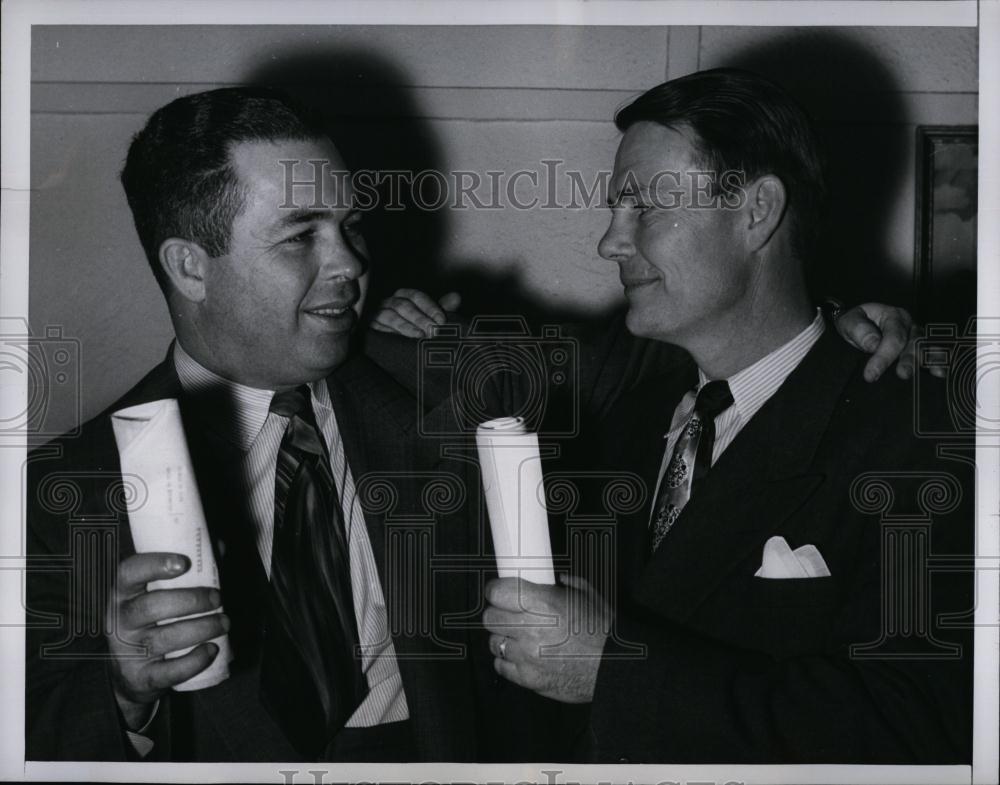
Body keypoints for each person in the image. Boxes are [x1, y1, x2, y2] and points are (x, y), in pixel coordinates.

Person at [372, 68, 972, 764]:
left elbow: (925, 728)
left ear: (758, 212)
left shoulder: (920, 435)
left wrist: (614, 670)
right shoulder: (627, 420)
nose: (610, 242)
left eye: (644, 208)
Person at [25, 86, 480, 762]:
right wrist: (122, 689)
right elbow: (31, 729)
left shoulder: (440, 392)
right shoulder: (61, 488)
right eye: (302, 236)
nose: (351, 262)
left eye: (351, 226)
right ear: (190, 267)